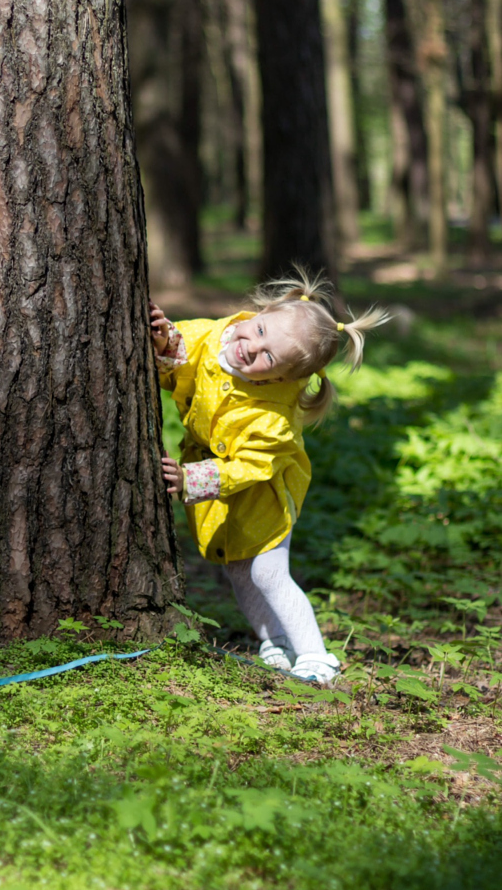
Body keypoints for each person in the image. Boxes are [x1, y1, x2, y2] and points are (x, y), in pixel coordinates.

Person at [150, 269, 388, 684]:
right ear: (257, 314)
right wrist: (165, 341)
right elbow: (181, 365)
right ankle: (272, 639)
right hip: (225, 489)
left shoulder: (272, 415)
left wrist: (191, 480)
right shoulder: (217, 335)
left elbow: (251, 466)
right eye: (258, 330)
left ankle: (316, 656)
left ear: (281, 379)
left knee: (268, 573)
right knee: (239, 571)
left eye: (268, 356)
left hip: (264, 496)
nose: (249, 348)